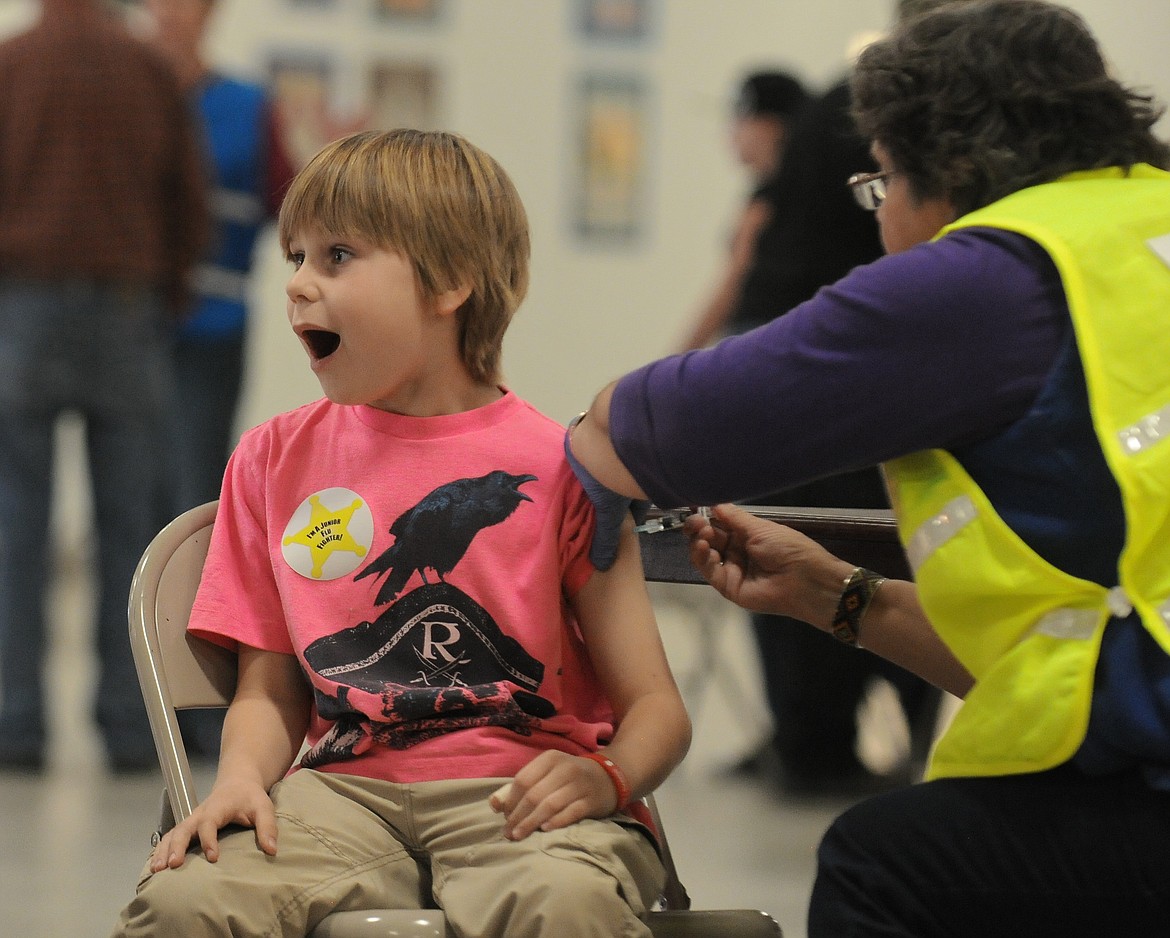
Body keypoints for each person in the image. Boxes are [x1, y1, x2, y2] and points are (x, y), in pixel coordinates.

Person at [566, 1, 1170, 933]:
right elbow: (1084, 658)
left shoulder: (987, 279)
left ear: (949, 169)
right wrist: (839, 595)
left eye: (881, 182)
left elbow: (648, 431)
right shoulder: (1140, 230)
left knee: (885, 862)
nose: (881, 216)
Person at [111, 129, 691, 938]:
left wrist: (607, 779)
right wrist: (242, 776)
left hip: (523, 792)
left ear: (451, 281)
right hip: (339, 794)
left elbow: (657, 708)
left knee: (563, 905)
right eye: (296, 258)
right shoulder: (272, 459)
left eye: (337, 256)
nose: (300, 286)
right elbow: (269, 688)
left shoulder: (569, 467)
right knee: (183, 904)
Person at [0, 0, 208, 772]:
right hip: (126, 307)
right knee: (130, 529)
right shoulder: (147, 68)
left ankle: (14, 722)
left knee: (15, 522)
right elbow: (189, 198)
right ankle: (131, 725)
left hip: (22, 305)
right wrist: (170, 290)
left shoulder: (11, 64)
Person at [137, 0, 297, 760]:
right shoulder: (129, 89)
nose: (176, 16)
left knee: (196, 503)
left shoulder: (246, 105)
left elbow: (286, 204)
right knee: (131, 507)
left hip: (212, 330)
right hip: (133, 329)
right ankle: (132, 706)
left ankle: (197, 707)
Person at [677, 69, 807, 352]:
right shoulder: (798, 193)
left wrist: (673, 362)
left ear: (772, 126)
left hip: (760, 342)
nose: (730, 134)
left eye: (740, 119)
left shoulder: (771, 200)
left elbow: (732, 284)